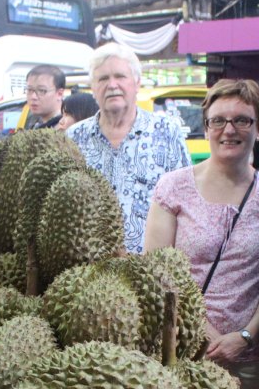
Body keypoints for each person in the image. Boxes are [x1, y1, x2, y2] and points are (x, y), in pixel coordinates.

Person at [144, 79, 259, 389]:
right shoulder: (173, 187)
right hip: (184, 350)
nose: (229, 130)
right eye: (218, 121)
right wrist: (200, 329)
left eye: (242, 120)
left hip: (253, 356)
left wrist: (247, 335)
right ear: (206, 128)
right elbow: (155, 272)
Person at [68, 43, 191, 254]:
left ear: (137, 83)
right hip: (88, 267)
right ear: (93, 89)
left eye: (120, 76)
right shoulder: (74, 137)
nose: (112, 85)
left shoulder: (167, 132)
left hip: (151, 268)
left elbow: (187, 200)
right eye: (103, 79)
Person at [25, 65, 66, 129]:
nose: (33, 97)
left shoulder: (65, 128)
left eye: (42, 90)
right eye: (29, 90)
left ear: (59, 94)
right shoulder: (36, 125)